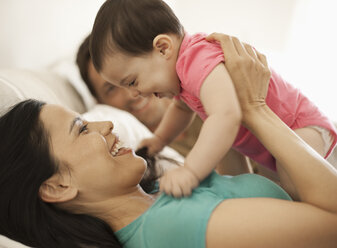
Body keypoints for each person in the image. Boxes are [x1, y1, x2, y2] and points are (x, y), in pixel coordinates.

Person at [1, 34, 337, 248]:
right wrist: (254, 108)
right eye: (81, 128)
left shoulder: (162, 197)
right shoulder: (168, 229)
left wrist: (223, 104)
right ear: (58, 187)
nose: (103, 123)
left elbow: (234, 182)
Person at [89, 0, 337, 199]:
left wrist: (191, 170)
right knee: (272, 191)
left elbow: (225, 116)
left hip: (299, 126)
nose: (135, 93)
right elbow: (180, 108)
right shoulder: (183, 79)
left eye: (132, 82)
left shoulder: (196, 59)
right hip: (278, 139)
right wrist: (160, 139)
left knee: (296, 193)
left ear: (163, 48)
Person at [76, 34, 252, 176]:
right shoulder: (149, 162)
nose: (133, 92)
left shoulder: (204, 91)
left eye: (133, 77)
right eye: (111, 88)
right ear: (99, 102)